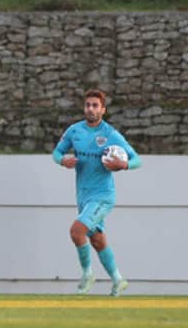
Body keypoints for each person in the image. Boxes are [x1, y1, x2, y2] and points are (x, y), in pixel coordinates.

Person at [52, 89, 141, 297]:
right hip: (83, 195)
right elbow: (56, 152)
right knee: (97, 240)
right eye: (88, 105)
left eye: (95, 105)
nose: (90, 109)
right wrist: (62, 160)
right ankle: (118, 280)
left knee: (76, 232)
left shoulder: (111, 134)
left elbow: (137, 160)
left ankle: (87, 274)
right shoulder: (74, 131)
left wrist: (124, 164)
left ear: (103, 110)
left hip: (103, 196)